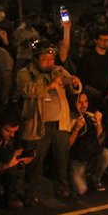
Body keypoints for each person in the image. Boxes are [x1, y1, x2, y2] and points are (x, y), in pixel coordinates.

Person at [17, 39, 83, 203]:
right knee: (35, 161)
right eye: (45, 59)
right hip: (38, 125)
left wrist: (74, 82)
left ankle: (63, 188)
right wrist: (49, 86)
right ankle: (31, 193)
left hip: (60, 123)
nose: (49, 62)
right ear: (35, 59)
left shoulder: (58, 70)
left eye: (51, 59)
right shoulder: (25, 73)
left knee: (62, 158)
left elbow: (76, 87)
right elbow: (27, 90)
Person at [68, 92, 108, 195]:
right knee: (81, 190)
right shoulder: (70, 118)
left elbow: (101, 140)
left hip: (92, 154)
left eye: (85, 101)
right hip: (78, 159)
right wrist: (76, 129)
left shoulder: (91, 116)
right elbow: (67, 144)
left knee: (106, 153)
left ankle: (96, 177)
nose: (83, 105)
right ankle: (71, 175)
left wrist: (99, 123)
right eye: (80, 102)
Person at [77, 29, 108, 116]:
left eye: (107, 40)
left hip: (106, 97)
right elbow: (81, 78)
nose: (105, 42)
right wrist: (92, 91)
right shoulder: (88, 57)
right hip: (91, 97)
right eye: (102, 40)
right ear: (96, 40)